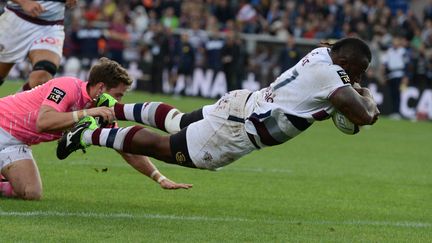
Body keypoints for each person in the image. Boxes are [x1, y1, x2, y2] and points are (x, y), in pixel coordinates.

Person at [57, 37, 380, 172]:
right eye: (359, 70)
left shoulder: (322, 53)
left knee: (178, 122)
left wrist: (348, 93)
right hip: (239, 130)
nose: (358, 76)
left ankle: (111, 108)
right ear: (346, 61)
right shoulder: (332, 73)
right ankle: (85, 135)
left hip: (243, 103)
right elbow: (364, 117)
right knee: (164, 147)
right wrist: (368, 98)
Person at [0, 57, 192, 200]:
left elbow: (125, 148)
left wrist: (159, 178)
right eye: (117, 95)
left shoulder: (100, 112)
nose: (119, 102)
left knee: (31, 193)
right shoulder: (67, 86)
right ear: (101, 88)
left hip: (17, 142)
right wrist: (86, 114)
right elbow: (43, 121)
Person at [0, 0, 76, 91]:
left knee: (42, 76)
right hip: (15, 20)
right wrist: (24, 2)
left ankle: (13, 104)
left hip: (50, 27)